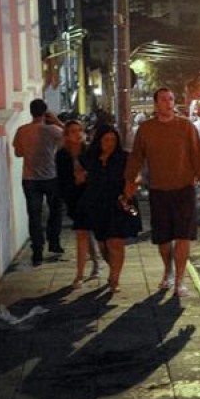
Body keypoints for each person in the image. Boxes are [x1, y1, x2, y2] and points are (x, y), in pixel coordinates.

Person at [124, 88, 200, 298]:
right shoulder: (146, 129)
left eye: (171, 99)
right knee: (163, 238)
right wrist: (130, 180)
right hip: (158, 190)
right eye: (163, 99)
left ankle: (180, 280)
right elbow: (136, 157)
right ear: (156, 104)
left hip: (184, 189)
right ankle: (168, 270)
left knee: (183, 236)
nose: (168, 103)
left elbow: (198, 157)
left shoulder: (185, 126)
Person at [78, 125, 141, 293]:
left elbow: (136, 175)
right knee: (103, 244)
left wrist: (132, 187)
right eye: (106, 140)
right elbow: (80, 175)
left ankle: (115, 278)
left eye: (113, 140)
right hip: (98, 205)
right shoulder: (90, 158)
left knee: (116, 242)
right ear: (99, 140)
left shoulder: (124, 158)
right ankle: (113, 269)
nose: (110, 143)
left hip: (118, 203)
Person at [12, 98, 65, 266]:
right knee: (55, 210)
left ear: (30, 112)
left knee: (34, 216)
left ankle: (37, 252)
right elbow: (70, 135)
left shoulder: (22, 130)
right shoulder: (53, 130)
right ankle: (54, 242)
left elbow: (18, 153)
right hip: (50, 176)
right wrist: (56, 120)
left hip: (29, 179)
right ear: (44, 112)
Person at [55, 120, 101, 288]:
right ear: (66, 135)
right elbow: (61, 178)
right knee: (84, 233)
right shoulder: (62, 155)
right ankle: (90, 267)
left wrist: (86, 176)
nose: (77, 134)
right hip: (73, 197)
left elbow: (97, 174)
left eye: (80, 130)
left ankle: (86, 271)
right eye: (73, 131)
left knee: (85, 233)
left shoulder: (89, 152)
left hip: (89, 196)